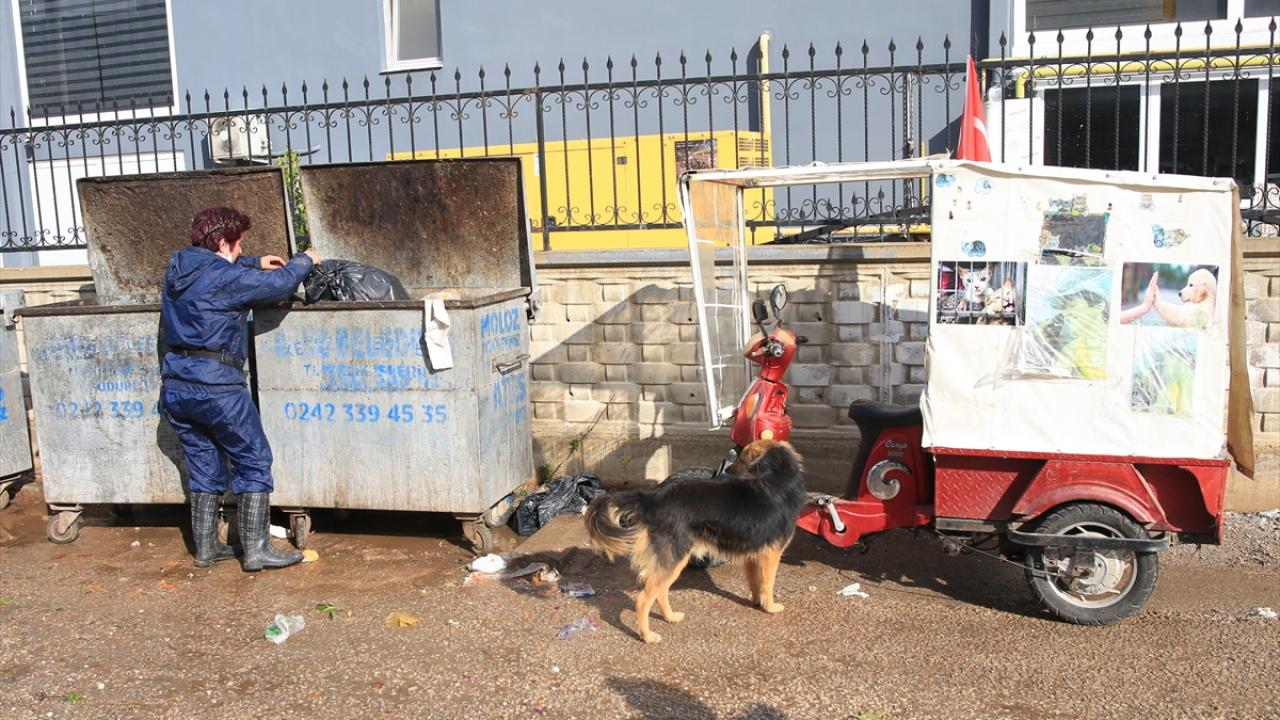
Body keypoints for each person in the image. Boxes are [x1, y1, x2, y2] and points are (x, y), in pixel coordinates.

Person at [159, 206, 318, 571]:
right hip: (217, 387)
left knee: (203, 465)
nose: (240, 248)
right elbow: (280, 285)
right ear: (221, 242)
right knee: (253, 459)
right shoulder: (222, 277)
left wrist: (252, 261)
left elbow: (216, 270)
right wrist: (304, 261)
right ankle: (257, 550)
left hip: (177, 386)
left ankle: (206, 548)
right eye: (238, 243)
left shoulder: (177, 267)